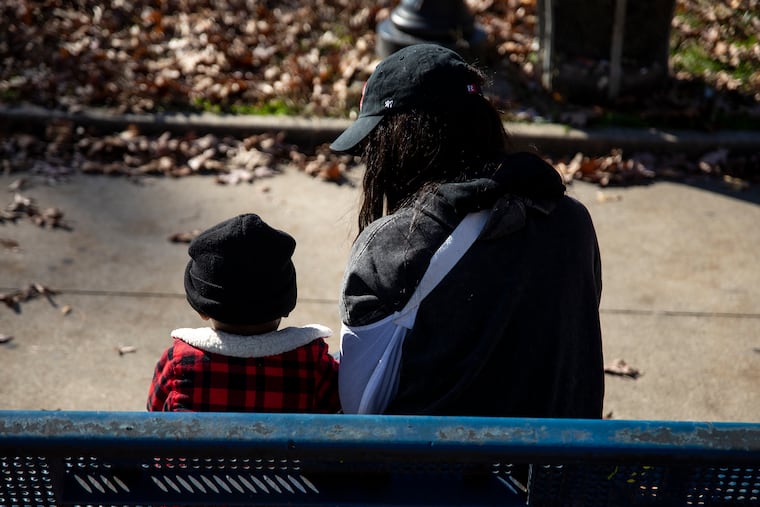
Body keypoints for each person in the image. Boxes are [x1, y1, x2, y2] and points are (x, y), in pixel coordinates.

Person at [330, 43, 603, 418]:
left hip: (429, 475)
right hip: (555, 471)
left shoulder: (390, 246)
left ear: (399, 143)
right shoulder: (573, 221)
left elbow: (358, 405)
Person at [147, 213, 340, 413]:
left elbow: (155, 415)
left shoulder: (180, 360)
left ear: (202, 310)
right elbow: (338, 408)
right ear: (285, 307)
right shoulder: (310, 359)